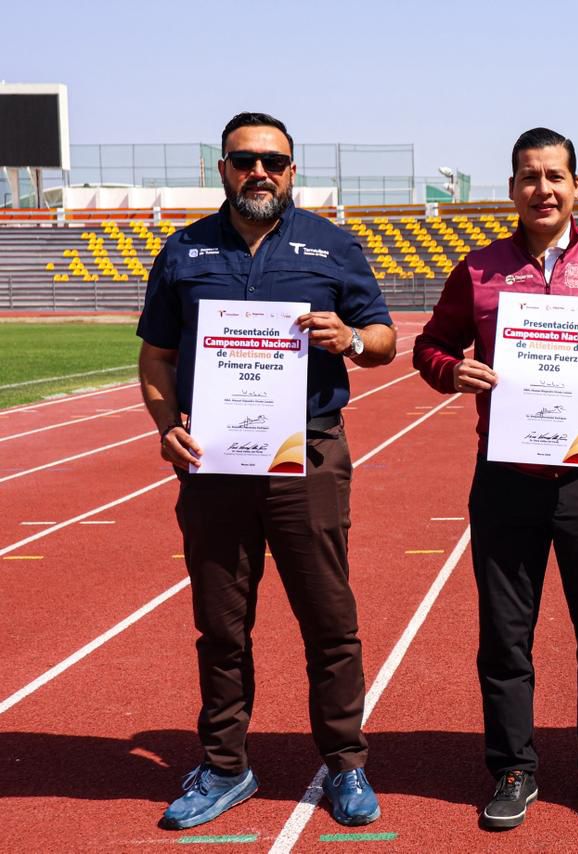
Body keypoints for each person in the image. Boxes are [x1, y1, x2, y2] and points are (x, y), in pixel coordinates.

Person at [136, 112, 396, 830]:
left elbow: (383, 340)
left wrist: (351, 338)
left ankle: (345, 763)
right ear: (222, 167)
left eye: (273, 162)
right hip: (215, 463)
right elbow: (156, 355)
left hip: (306, 455)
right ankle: (225, 765)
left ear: (291, 171)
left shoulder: (332, 245)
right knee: (221, 626)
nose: (259, 172)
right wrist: (167, 425)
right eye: (245, 159)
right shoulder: (184, 250)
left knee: (329, 620)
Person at [413, 127, 578, 831]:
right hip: (506, 474)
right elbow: (430, 346)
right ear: (511, 189)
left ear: (576, 186)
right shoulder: (478, 270)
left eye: (555, 176)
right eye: (529, 177)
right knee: (505, 635)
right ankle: (513, 767)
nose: (543, 189)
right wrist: (453, 370)